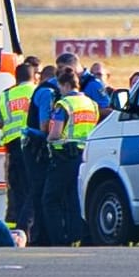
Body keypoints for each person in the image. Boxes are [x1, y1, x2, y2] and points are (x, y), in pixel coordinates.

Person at [44, 66, 99, 246]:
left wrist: (47, 139)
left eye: (60, 87)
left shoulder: (64, 105)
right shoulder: (91, 104)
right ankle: (78, 237)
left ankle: (58, 240)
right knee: (75, 199)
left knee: (50, 199)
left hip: (64, 157)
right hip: (85, 157)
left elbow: (55, 133)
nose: (60, 91)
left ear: (66, 85)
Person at [0, 62, 36, 234]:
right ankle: (26, 229)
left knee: (16, 189)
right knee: (32, 187)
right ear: (33, 76)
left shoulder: (6, 95)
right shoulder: (36, 91)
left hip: (12, 147)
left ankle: (14, 229)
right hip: (31, 145)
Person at [22, 63, 62, 245]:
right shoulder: (48, 92)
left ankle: (35, 233)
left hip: (31, 145)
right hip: (36, 148)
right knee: (39, 193)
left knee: (36, 192)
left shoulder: (45, 90)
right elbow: (44, 125)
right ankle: (37, 236)